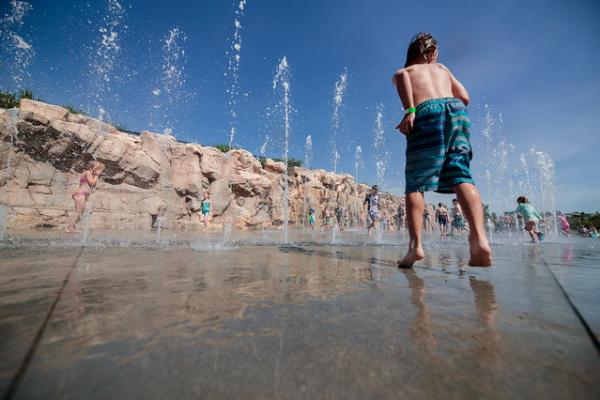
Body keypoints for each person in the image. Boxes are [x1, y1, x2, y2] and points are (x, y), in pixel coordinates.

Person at [392, 33, 492, 267]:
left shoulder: (403, 73)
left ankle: (415, 247)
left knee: (416, 181)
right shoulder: (442, 68)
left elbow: (409, 98)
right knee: (461, 174)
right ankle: (479, 238)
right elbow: (465, 97)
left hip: (426, 114)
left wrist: (410, 112)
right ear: (431, 53)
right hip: (457, 112)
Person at [66, 161, 105, 233]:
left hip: (81, 194)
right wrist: (97, 175)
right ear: (94, 168)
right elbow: (92, 182)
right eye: (99, 169)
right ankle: (70, 227)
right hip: (80, 194)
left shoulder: (90, 174)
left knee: (80, 211)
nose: (100, 172)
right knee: (79, 211)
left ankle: (72, 226)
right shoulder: (87, 173)